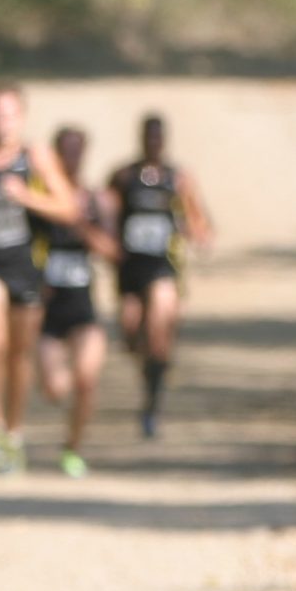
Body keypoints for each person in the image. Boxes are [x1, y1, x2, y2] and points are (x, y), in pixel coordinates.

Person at [0, 81, 77, 474]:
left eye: (9, 114)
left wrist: (26, 197)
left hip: (25, 266)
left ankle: (15, 429)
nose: (2, 122)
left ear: (22, 117)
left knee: (19, 355)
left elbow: (69, 208)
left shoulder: (35, 156)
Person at [107, 113, 214, 439]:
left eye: (158, 137)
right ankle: (150, 371)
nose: (153, 142)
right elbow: (108, 215)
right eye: (148, 136)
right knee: (130, 333)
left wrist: (193, 231)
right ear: (141, 138)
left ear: (164, 141)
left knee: (158, 334)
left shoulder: (177, 178)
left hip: (163, 266)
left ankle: (152, 404)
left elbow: (201, 224)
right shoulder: (123, 177)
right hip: (130, 268)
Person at [36, 126, 116, 477]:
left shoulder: (97, 200)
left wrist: (80, 224)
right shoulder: (39, 201)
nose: (71, 157)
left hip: (83, 309)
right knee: (56, 388)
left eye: (77, 150)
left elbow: (114, 251)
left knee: (87, 379)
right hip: (47, 313)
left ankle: (73, 447)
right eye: (64, 150)